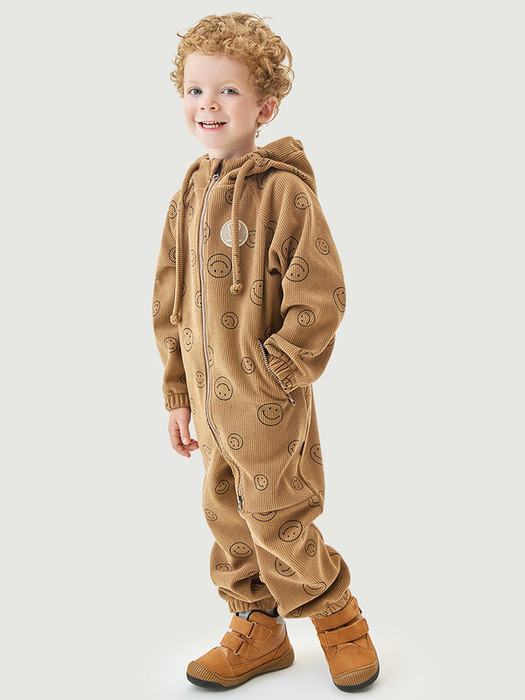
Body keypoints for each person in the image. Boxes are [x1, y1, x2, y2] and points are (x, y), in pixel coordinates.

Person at [152, 11, 380, 692]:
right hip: (208, 400)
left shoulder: (284, 192)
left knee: (279, 517)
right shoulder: (189, 191)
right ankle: (258, 627)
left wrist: (275, 371)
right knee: (226, 517)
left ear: (265, 106)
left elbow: (320, 294)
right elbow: (170, 296)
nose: (208, 104)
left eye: (228, 90)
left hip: (267, 402)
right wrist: (178, 392)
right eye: (195, 90)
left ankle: (339, 619)